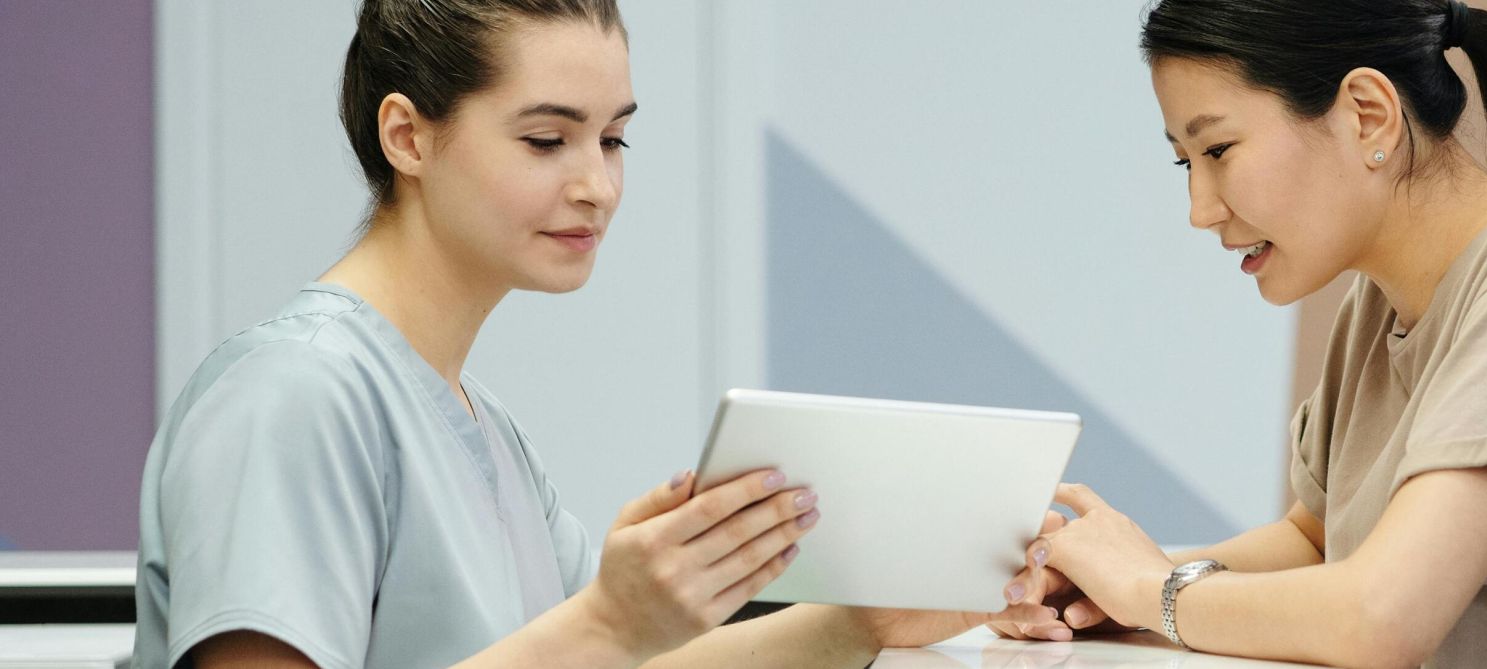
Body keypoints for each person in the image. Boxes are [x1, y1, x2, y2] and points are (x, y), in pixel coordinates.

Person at [132, 2, 1051, 667]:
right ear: (407, 138)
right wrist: (610, 622)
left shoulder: (483, 428)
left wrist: (862, 622)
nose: (597, 186)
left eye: (613, 140)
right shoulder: (290, 396)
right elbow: (598, 647)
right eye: (546, 140)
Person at [995, 1, 1487, 667]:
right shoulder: (1377, 304)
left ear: (1367, 112)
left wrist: (1150, 590)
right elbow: (1317, 541)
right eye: (1184, 163)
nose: (1201, 207)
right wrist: (1118, 580)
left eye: (1219, 149)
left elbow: (1384, 614)